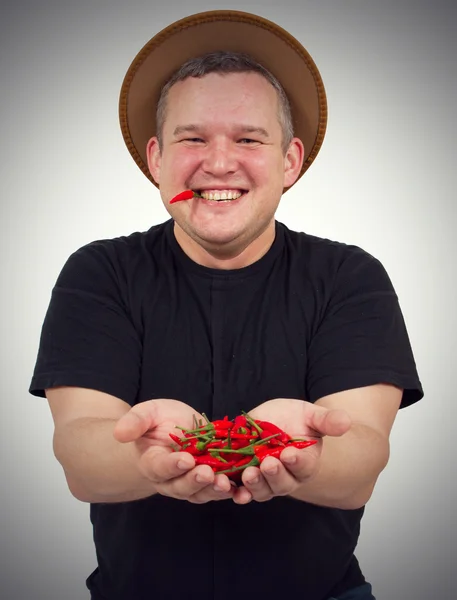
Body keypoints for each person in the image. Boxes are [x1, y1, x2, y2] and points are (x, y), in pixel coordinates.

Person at [29, 10, 423, 600]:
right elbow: (81, 457)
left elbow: (362, 462)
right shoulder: (100, 273)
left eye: (247, 139)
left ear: (289, 161)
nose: (218, 164)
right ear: (157, 159)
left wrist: (303, 457)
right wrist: (147, 461)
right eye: (192, 139)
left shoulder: (350, 277)